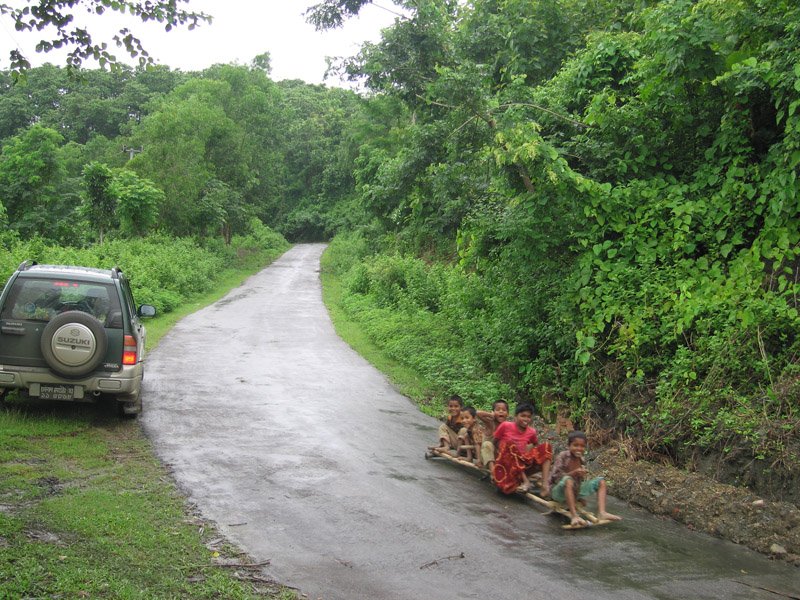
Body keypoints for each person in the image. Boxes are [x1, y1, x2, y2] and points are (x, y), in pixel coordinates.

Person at [549, 430, 622, 527]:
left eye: (582, 446)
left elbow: (579, 481)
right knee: (568, 480)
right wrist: (573, 473)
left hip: (575, 490)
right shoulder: (562, 456)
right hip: (558, 492)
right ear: (569, 446)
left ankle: (602, 512)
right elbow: (555, 477)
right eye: (575, 445)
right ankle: (574, 515)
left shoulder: (581, 459)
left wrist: (580, 492)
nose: (579, 448)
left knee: (601, 481)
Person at [492, 403, 552, 495]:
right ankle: (526, 482)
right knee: (510, 445)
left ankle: (545, 485)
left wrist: (527, 451)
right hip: (507, 464)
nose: (526, 419)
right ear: (515, 416)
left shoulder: (532, 432)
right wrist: (501, 454)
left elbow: (536, 445)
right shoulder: (505, 425)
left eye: (528, 417)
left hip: (522, 463)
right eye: (523, 416)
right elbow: (495, 441)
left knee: (546, 446)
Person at [476, 400, 509, 477]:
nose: (501, 412)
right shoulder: (490, 423)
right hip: (487, 458)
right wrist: (490, 415)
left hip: (499, 458)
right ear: (493, 412)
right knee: (487, 444)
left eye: (504, 410)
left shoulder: (508, 426)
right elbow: (477, 413)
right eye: (497, 410)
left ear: (507, 413)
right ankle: (493, 473)